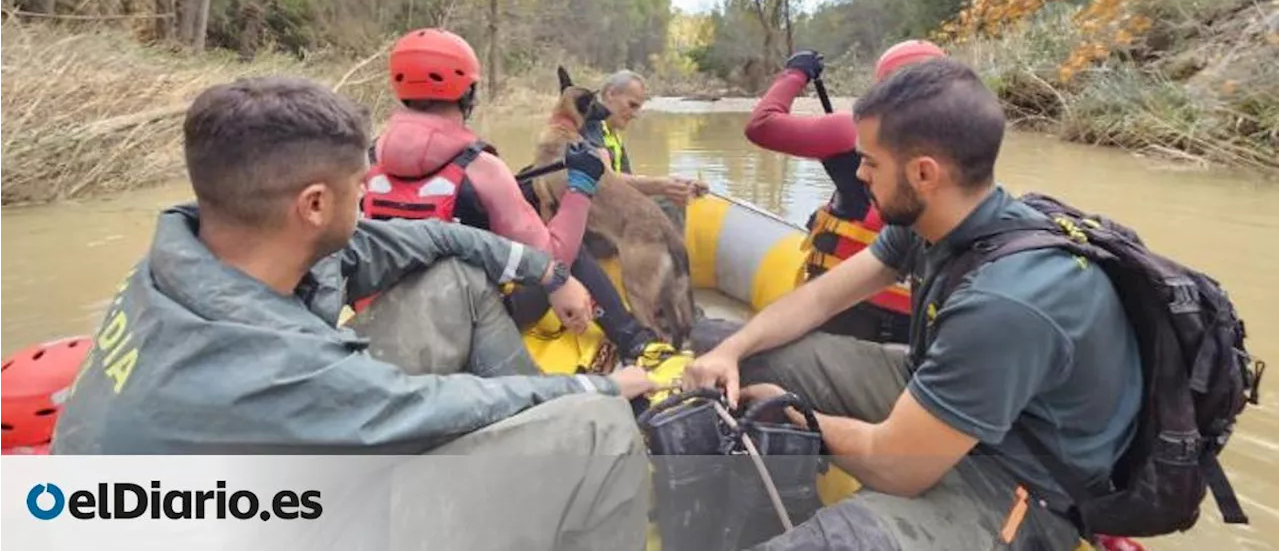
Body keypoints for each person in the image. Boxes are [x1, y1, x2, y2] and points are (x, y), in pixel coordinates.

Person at [51, 76, 655, 550]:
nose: (367, 194)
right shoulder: (274, 364)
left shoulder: (200, 245)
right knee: (601, 428)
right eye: (358, 185)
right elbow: (426, 408)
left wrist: (548, 272)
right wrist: (595, 388)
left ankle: (541, 456)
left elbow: (436, 243)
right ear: (314, 204)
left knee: (456, 281)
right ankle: (566, 458)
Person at [684, 58, 1143, 551]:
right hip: (948, 403)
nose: (858, 173)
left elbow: (898, 467)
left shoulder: (1006, 303)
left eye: (870, 162)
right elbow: (821, 297)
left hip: (1017, 484)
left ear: (924, 172)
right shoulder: (932, 223)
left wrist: (796, 414)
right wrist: (731, 350)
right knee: (739, 357)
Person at [360, 28, 665, 363]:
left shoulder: (366, 160)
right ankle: (634, 341)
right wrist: (580, 187)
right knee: (572, 252)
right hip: (464, 326)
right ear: (469, 91)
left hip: (383, 320)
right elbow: (554, 257)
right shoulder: (481, 168)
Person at [744, 40, 947, 345]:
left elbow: (761, 125)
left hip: (849, 303)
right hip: (918, 315)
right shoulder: (964, 142)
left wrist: (795, 73)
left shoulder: (850, 130)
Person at [583, 69, 709, 228]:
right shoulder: (591, 124)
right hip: (589, 215)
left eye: (638, 108)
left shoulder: (613, 134)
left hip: (609, 207)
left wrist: (677, 185)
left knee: (672, 200)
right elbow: (605, 179)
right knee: (667, 205)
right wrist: (660, 185)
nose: (635, 114)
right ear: (610, 94)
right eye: (632, 105)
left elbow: (628, 183)